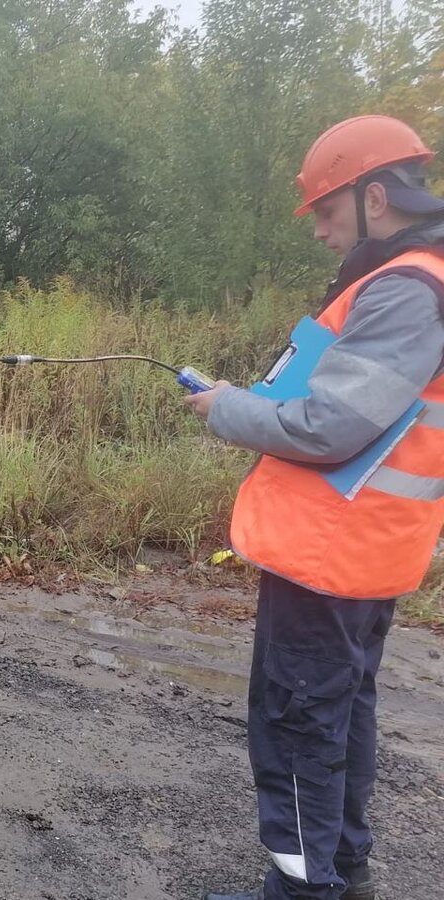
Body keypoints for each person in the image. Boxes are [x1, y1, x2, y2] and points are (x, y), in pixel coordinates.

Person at [187, 115, 444, 900]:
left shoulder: (405, 286)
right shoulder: (407, 278)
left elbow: (331, 427)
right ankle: (342, 876)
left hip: (334, 555)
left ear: (375, 196)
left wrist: (227, 407)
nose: (322, 232)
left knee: (300, 726)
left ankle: (304, 891)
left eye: (326, 212)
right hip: (360, 551)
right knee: (336, 719)